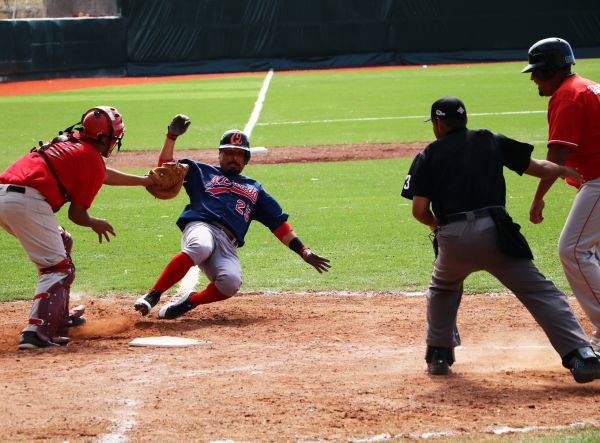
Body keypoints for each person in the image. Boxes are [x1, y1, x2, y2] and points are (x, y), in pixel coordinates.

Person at [401, 96, 600, 383]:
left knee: (443, 288)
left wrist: (438, 227)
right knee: (540, 292)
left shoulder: (428, 154)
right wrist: (564, 170)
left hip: (454, 238)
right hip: (496, 234)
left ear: (439, 123)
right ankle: (581, 355)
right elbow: (538, 167)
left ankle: (439, 354)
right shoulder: (489, 139)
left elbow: (420, 211)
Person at [134, 119, 331, 320]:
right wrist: (171, 137)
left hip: (228, 243)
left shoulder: (256, 189)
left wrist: (304, 251)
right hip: (201, 226)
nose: (234, 157)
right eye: (228, 152)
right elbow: (164, 172)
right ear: (219, 155)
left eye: (239, 154)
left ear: (246, 160)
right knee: (201, 246)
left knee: (231, 283)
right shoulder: (200, 170)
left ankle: (190, 301)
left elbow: (278, 224)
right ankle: (152, 295)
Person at [0, 106, 153, 349]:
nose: (116, 140)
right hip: (27, 203)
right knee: (59, 268)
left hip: (7, 197)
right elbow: (77, 213)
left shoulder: (69, 142)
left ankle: (58, 318)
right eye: (115, 136)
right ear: (106, 137)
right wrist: (94, 223)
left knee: (62, 241)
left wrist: (143, 181)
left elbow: (100, 172)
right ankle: (37, 332)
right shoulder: (91, 157)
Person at [522, 37, 600, 352]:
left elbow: (556, 158)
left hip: (598, 180)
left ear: (553, 69)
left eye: (538, 71)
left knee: (573, 250)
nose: (533, 78)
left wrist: (538, 197)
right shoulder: (590, 86)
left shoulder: (567, 96)